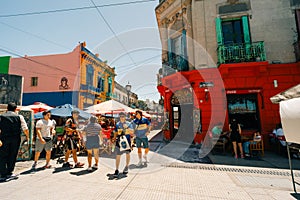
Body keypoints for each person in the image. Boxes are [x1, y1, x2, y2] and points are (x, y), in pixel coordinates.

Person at [0, 102, 29, 182]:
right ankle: (10, 172)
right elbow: (25, 128)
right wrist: (28, 137)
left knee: (2, 156)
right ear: (15, 109)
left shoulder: (1, 117)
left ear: (7, 109)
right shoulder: (19, 117)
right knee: (12, 155)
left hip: (4, 139)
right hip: (15, 139)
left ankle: (2, 173)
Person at [111, 112, 133, 177]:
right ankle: (117, 169)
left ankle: (126, 166)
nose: (122, 118)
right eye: (120, 116)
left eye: (123, 116)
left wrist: (127, 128)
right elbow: (115, 132)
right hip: (119, 140)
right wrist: (114, 139)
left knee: (127, 154)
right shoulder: (117, 124)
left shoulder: (129, 123)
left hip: (127, 141)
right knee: (118, 155)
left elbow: (132, 132)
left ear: (125, 117)